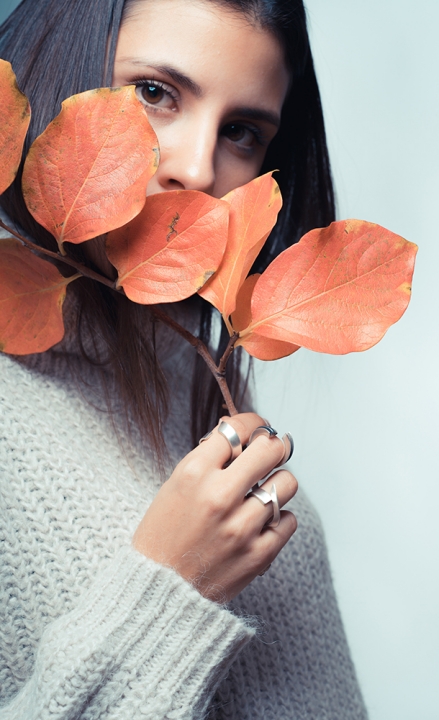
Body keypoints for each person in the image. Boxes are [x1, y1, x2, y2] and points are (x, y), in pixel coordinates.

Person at [0, 0, 369, 717]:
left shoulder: (224, 431)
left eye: (241, 132)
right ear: (52, 73)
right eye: (155, 92)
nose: (199, 168)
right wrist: (170, 589)